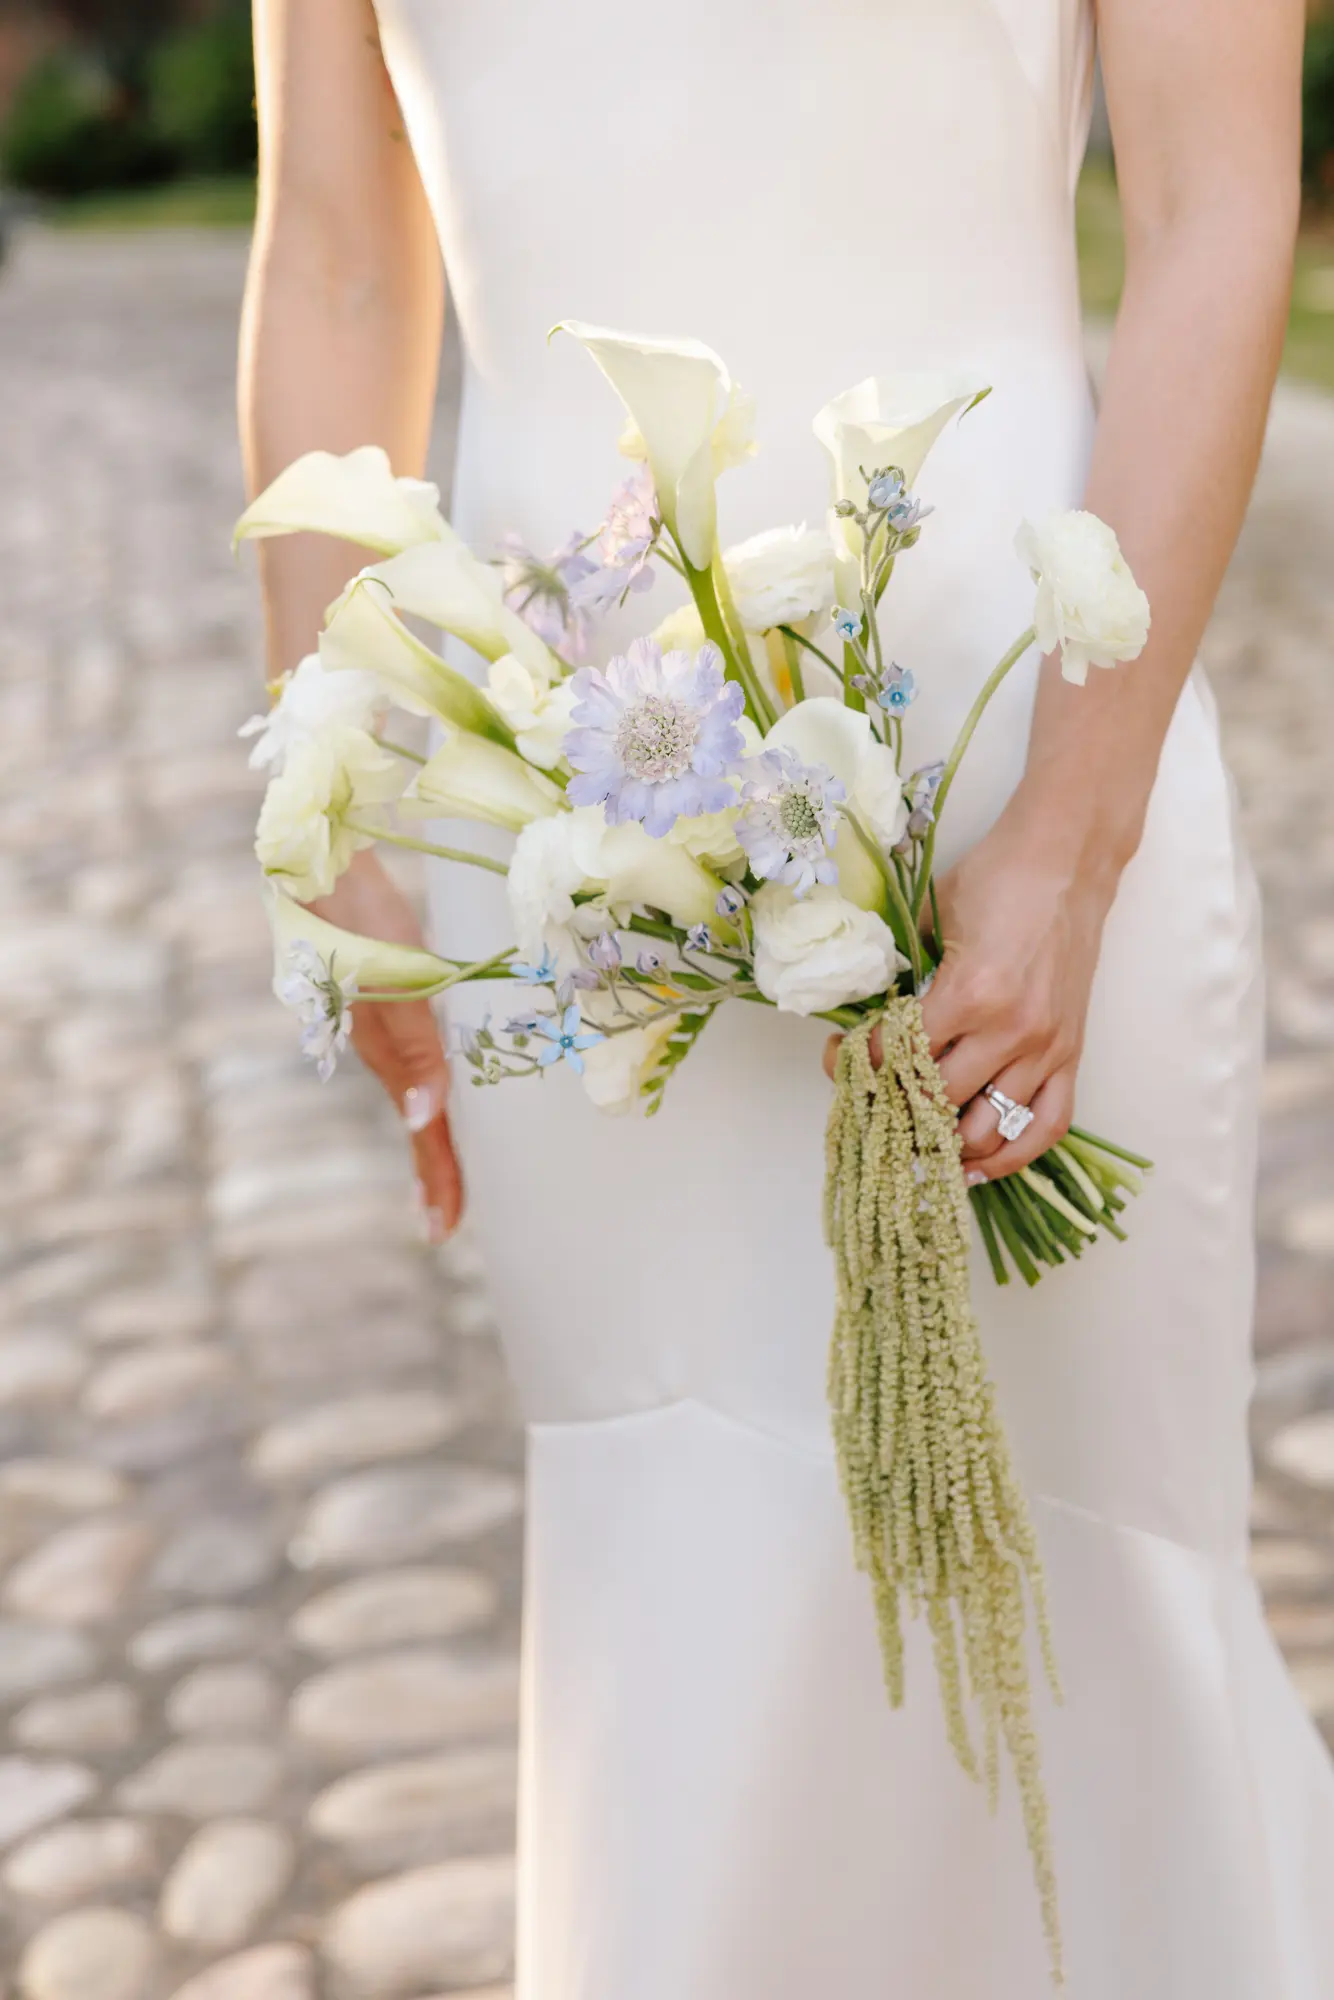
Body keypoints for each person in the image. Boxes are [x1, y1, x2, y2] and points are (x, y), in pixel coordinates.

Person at [241, 2, 1334, 1993]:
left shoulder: (1047, 814)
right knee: (687, 1575)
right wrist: (337, 801)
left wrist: (1066, 848)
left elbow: (1211, 204)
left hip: (1014, 735)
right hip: (543, 785)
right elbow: (327, 235)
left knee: (1083, 1565)